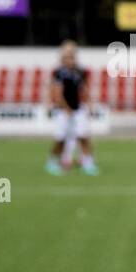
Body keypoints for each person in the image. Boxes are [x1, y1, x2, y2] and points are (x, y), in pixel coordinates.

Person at [46, 41, 98, 176]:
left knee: (83, 136)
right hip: (63, 111)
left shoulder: (80, 72)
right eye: (67, 56)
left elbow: (84, 89)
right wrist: (66, 108)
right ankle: (52, 162)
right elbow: (57, 93)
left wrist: (90, 104)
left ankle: (88, 163)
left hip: (78, 109)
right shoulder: (59, 73)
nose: (70, 59)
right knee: (60, 138)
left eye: (72, 56)